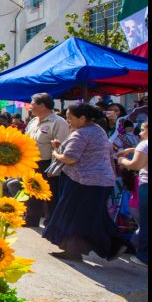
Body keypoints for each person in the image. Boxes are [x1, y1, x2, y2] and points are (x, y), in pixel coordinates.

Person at [43, 103, 130, 262]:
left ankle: (75, 250)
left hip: (84, 180)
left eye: (70, 118)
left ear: (82, 118)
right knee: (95, 216)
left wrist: (55, 152)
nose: (68, 121)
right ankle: (116, 244)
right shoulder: (98, 130)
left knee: (74, 216)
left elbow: (70, 158)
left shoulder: (82, 133)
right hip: (101, 180)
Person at [24, 93, 70, 227]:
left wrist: (54, 167)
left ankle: (52, 224)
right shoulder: (33, 121)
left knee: (50, 196)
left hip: (48, 163)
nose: (30, 106)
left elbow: (61, 146)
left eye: (32, 103)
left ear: (42, 105)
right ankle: (31, 219)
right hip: (32, 162)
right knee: (32, 193)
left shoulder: (58, 122)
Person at [117, 119, 148, 266]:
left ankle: (142, 255)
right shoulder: (141, 146)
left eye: (142, 130)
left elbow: (136, 165)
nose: (140, 133)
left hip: (146, 186)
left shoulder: (145, 144)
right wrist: (133, 150)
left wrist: (123, 160)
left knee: (145, 223)